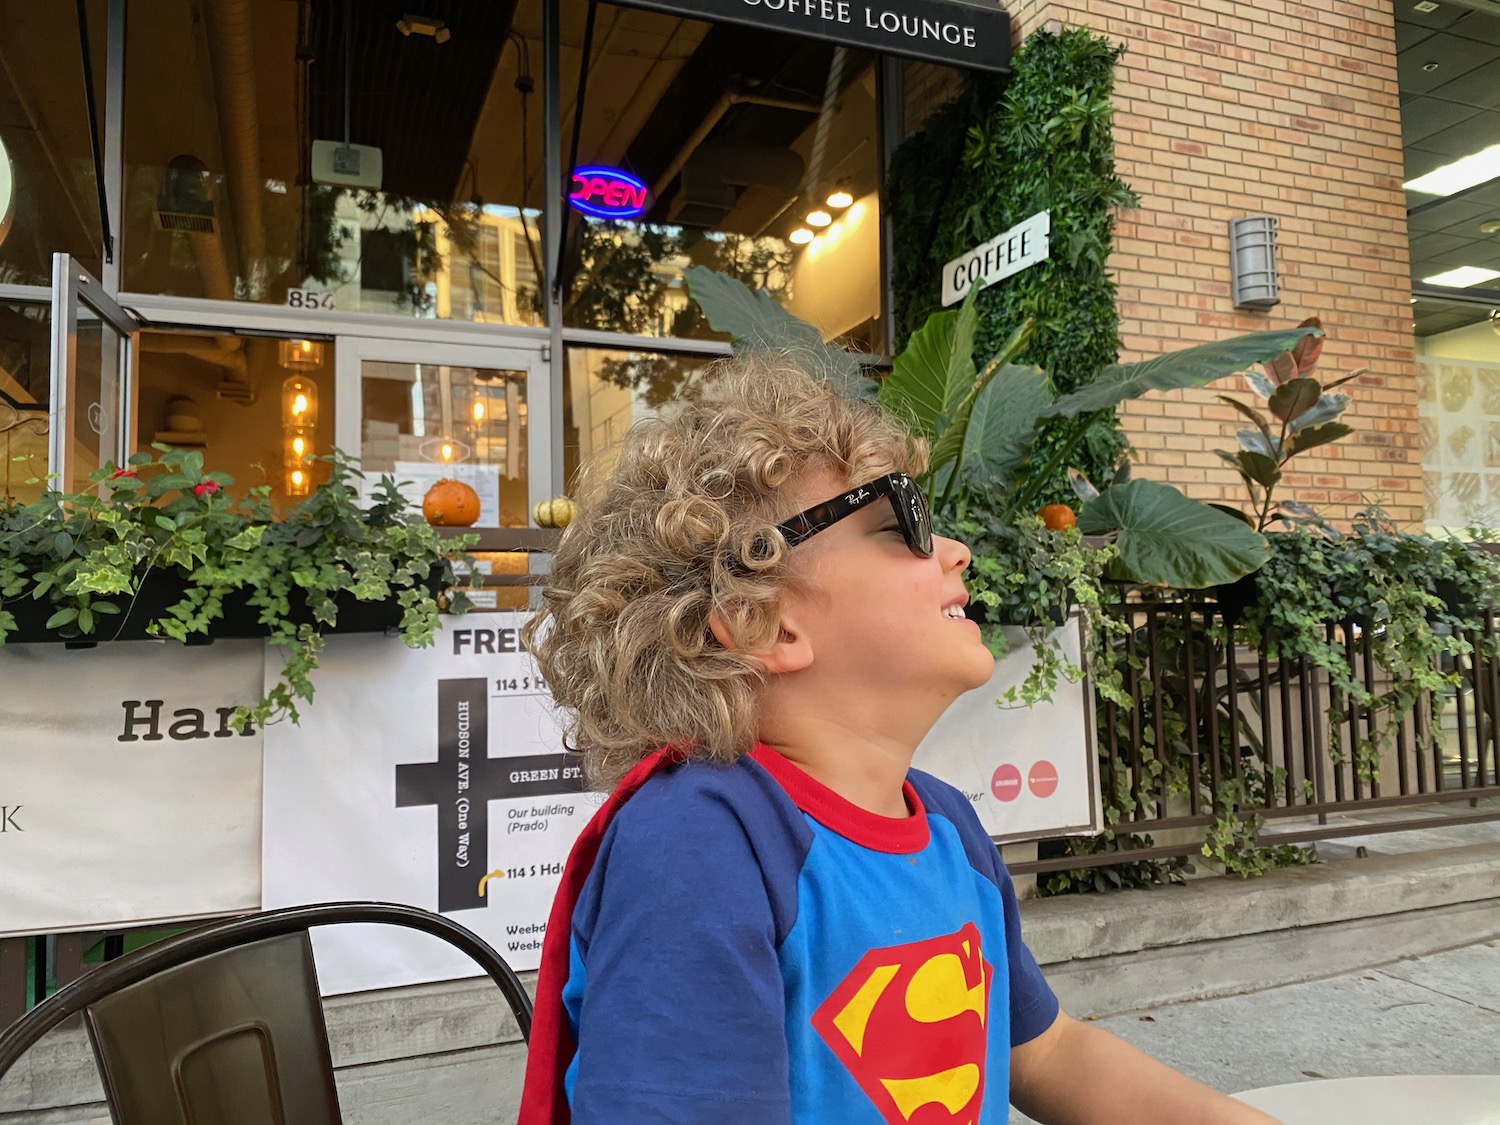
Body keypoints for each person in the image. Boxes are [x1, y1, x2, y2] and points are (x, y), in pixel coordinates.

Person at [517, 355, 1279, 1125]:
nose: (955, 550)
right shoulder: (699, 843)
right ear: (763, 620)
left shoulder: (947, 824)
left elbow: (1046, 1054)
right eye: (898, 525)